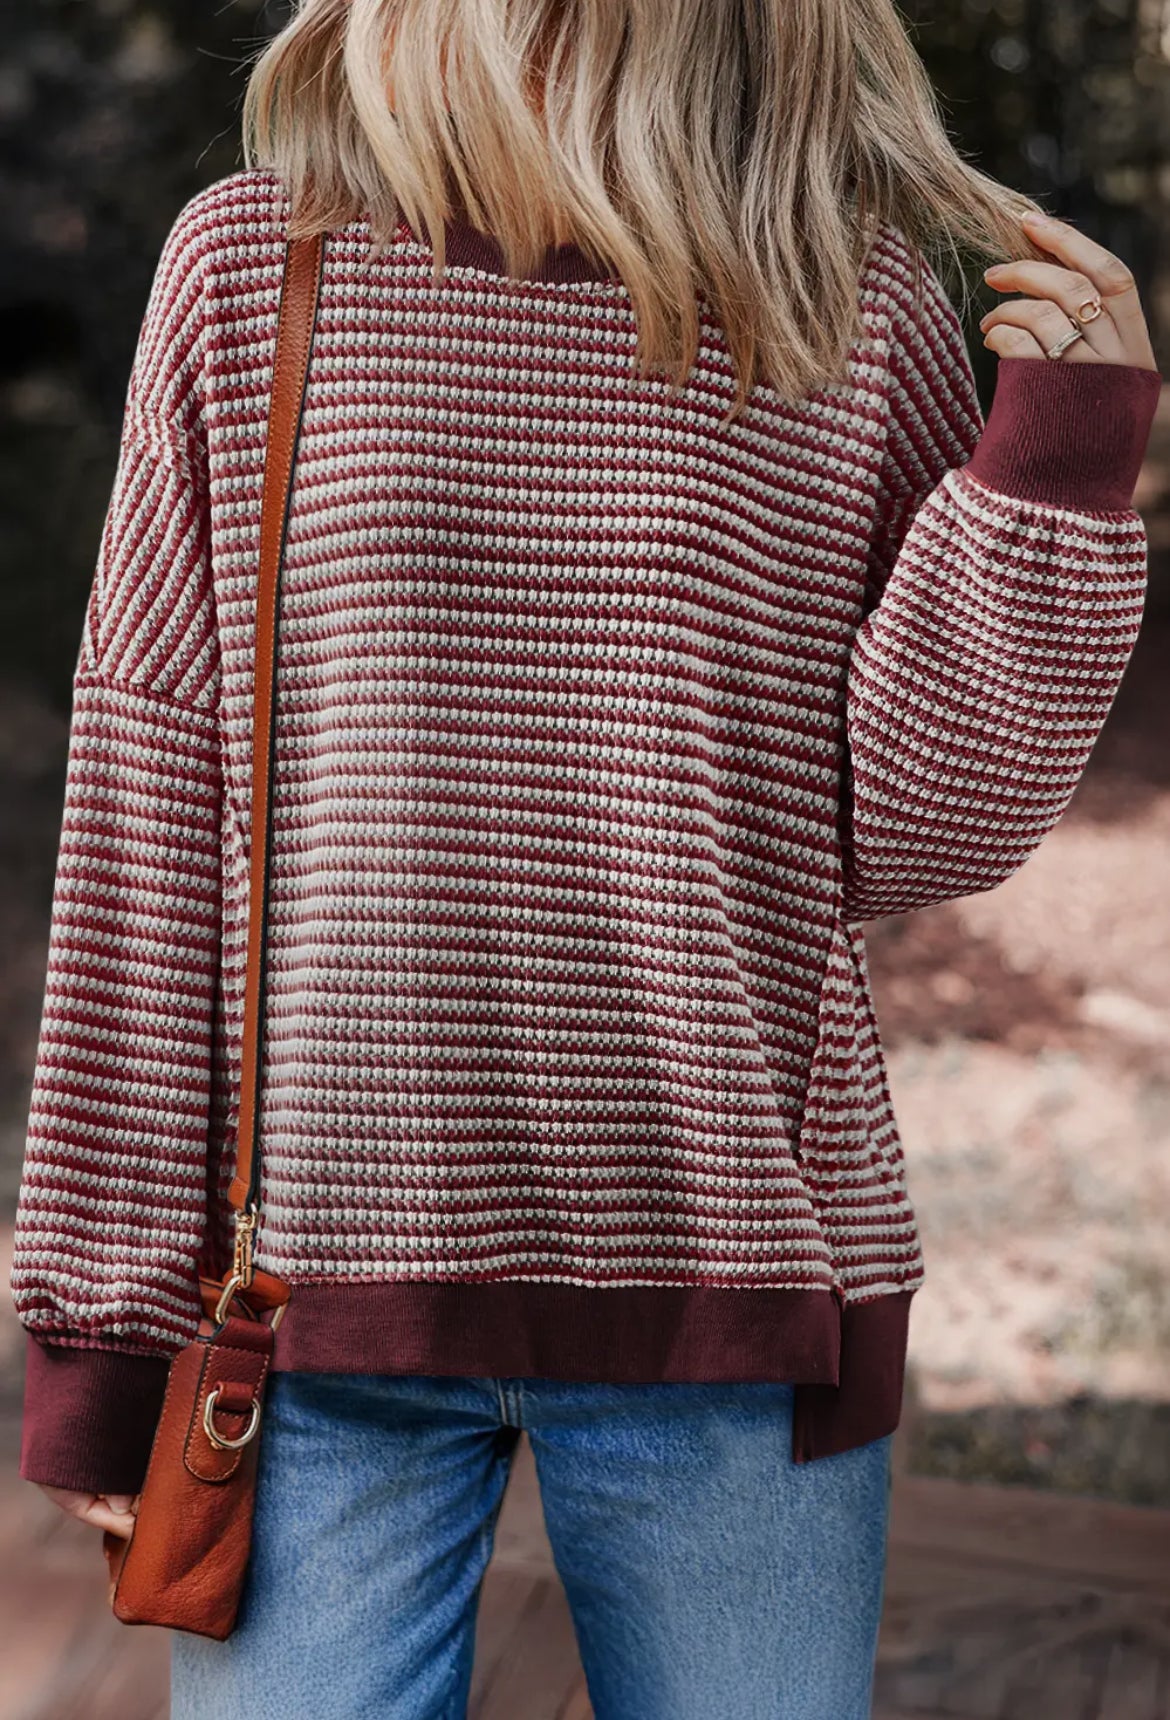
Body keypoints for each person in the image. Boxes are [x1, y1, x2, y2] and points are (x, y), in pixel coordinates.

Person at [10, 0, 1162, 1715]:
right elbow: (147, 792)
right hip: (316, 1309)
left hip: (734, 1281)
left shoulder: (831, 296)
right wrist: (102, 1330)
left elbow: (917, 827)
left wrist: (1060, 459)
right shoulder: (262, 262)